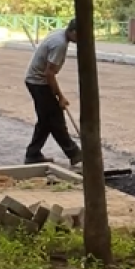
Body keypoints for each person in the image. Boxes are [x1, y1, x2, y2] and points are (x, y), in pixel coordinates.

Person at [23, 19, 82, 166]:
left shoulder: (60, 34)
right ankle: (74, 153)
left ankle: (33, 154)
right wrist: (60, 97)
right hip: (38, 82)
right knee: (55, 119)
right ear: (73, 32)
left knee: (45, 121)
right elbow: (49, 74)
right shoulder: (60, 44)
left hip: (35, 80)